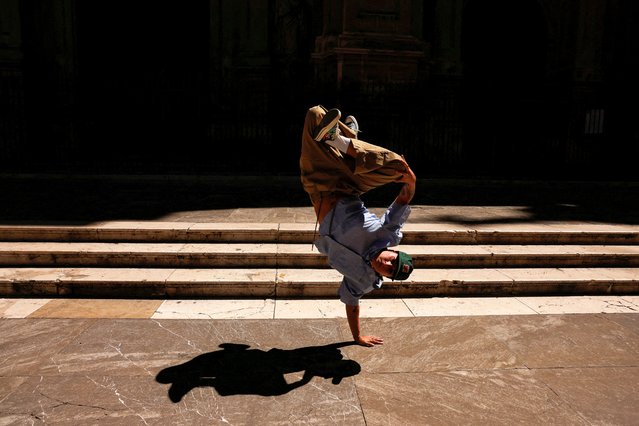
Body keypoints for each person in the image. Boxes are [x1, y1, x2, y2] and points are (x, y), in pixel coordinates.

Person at [300, 105, 416, 347]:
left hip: (318, 187)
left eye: (389, 270)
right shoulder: (388, 234)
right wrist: (412, 181)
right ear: (392, 252)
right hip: (347, 184)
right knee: (399, 166)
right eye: (392, 260)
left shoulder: (362, 280)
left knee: (313, 116)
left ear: (384, 277)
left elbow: (352, 304)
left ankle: (346, 136)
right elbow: (404, 199)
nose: (386, 264)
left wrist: (357, 337)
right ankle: (340, 139)